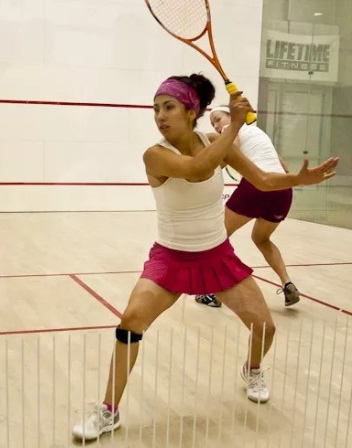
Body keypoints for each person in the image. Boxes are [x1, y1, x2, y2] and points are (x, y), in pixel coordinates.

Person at [72, 75, 338, 441]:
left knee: (266, 327)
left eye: (168, 107)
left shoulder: (216, 142)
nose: (159, 116)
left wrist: (298, 180)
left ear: (190, 111)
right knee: (130, 323)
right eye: (155, 108)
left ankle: (252, 369)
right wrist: (234, 128)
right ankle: (108, 410)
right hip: (170, 258)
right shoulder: (155, 154)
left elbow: (262, 180)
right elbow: (197, 170)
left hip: (217, 255)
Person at [195, 105, 299, 309]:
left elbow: (229, 151)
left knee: (217, 236)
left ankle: (211, 290)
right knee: (261, 239)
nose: (216, 126)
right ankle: (287, 283)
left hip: (257, 186)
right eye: (213, 123)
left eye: (218, 119)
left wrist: (203, 171)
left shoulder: (231, 129)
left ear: (231, 116)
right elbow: (284, 167)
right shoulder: (258, 133)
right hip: (283, 190)